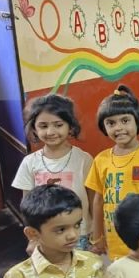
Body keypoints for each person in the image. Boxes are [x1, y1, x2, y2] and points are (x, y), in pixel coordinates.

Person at [85, 85, 139, 259]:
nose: (118, 128)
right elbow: (98, 201)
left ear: (137, 120)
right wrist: (97, 237)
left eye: (125, 121)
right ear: (104, 126)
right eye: (111, 123)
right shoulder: (101, 159)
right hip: (114, 243)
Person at [12, 94, 94, 250]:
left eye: (58, 125)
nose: (50, 132)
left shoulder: (84, 159)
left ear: (70, 126)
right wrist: (33, 239)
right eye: (43, 126)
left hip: (79, 236)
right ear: (34, 129)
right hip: (46, 238)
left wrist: (98, 232)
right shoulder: (29, 163)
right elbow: (27, 207)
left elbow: (93, 200)